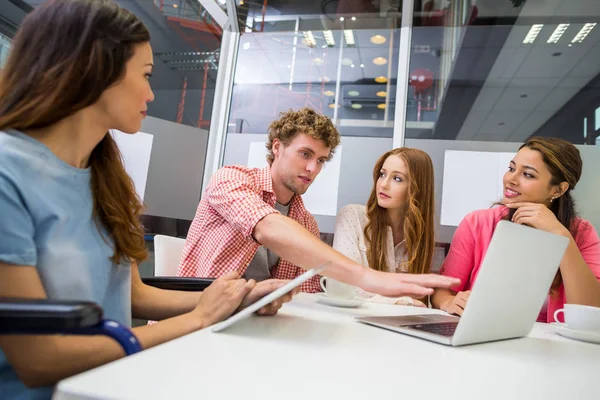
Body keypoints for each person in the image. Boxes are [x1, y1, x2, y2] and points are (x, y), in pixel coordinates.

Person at [0, 1, 294, 398]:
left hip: (116, 383)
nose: (152, 93)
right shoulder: (8, 173)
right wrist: (198, 318)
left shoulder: (105, 175)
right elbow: (39, 361)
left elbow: (132, 295)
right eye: (146, 75)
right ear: (96, 68)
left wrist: (232, 301)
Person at [179, 109, 459, 297]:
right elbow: (266, 226)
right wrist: (366, 277)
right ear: (277, 147)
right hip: (196, 318)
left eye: (321, 160)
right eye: (305, 154)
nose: (312, 168)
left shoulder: (305, 222)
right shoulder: (231, 180)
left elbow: (310, 292)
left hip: (255, 324)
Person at [432, 137, 600, 321]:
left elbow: (590, 309)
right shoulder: (477, 223)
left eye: (528, 175)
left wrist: (560, 235)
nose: (510, 179)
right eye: (512, 168)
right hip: (485, 338)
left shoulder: (581, 233)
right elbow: (443, 290)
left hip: (551, 346)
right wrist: (448, 301)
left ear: (558, 190)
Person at [333, 148, 435, 307]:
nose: (384, 184)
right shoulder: (352, 216)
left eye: (397, 178)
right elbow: (345, 285)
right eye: (382, 174)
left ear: (417, 188)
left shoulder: (419, 236)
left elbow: (421, 302)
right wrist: (404, 301)